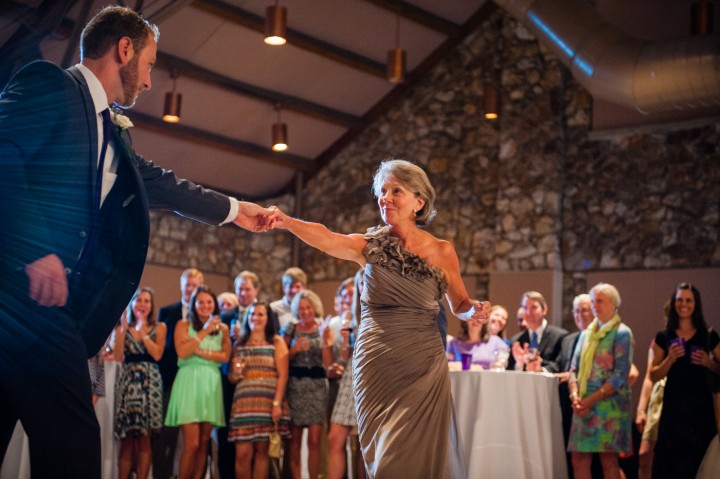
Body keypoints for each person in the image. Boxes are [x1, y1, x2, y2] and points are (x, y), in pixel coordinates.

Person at [0, 6, 274, 476]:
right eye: (148, 64)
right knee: (73, 445)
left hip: (37, 314)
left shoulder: (111, 130)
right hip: (23, 298)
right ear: (123, 49)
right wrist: (36, 251)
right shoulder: (51, 84)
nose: (148, 81)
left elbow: (164, 186)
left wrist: (235, 210)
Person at [267, 159, 491, 478]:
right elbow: (328, 238)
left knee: (414, 458)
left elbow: (459, 303)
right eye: (381, 191)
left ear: (419, 201)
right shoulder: (369, 247)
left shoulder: (442, 251)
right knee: (385, 459)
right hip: (376, 369)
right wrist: (287, 221)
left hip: (423, 369)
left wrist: (474, 309)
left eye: (395, 191)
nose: (385, 197)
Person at [649, 282, 720, 479]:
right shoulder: (664, 336)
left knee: (698, 461)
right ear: (673, 303)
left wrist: (709, 363)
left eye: (689, 300)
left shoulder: (709, 335)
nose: (684, 304)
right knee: (669, 464)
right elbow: (653, 375)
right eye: (679, 300)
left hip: (701, 411)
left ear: (696, 304)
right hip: (673, 410)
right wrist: (669, 360)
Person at [568, 283, 634, 479]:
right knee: (578, 459)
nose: (595, 305)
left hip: (608, 406)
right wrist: (575, 396)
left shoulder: (622, 333)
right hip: (582, 403)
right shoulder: (586, 334)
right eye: (593, 301)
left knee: (608, 461)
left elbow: (620, 376)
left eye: (600, 301)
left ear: (613, 304)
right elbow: (573, 369)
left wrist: (591, 400)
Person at [165, 286, 232, 479]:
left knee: (204, 443)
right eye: (200, 302)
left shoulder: (223, 329)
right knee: (191, 443)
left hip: (211, 383)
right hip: (189, 382)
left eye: (209, 302)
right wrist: (205, 330)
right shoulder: (183, 325)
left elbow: (225, 356)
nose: (205, 306)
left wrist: (200, 351)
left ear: (215, 305)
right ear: (194, 304)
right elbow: (183, 351)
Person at [228, 302, 291, 479]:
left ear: (268, 318)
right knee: (242, 454)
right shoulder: (240, 343)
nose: (255, 318)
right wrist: (236, 372)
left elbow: (283, 375)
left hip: (267, 402)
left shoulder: (276, 342)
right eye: (252, 314)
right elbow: (232, 378)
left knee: (261, 453)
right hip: (244, 402)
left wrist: (277, 404)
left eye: (260, 314)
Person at [155, 267, 205, 479]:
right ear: (181, 286)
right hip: (169, 378)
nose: (190, 289)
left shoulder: (206, 315)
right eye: (187, 285)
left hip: (196, 380)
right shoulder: (166, 312)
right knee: (165, 435)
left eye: (194, 286)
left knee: (196, 440)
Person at [113, 287, 166, 479]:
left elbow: (157, 354)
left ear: (151, 306)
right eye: (139, 300)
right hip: (129, 383)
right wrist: (122, 329)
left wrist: (142, 332)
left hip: (149, 383)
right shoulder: (124, 328)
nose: (142, 304)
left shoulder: (159, 327)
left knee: (145, 440)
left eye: (146, 301)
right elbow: (118, 356)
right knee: (127, 440)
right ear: (132, 304)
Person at [283, 290, 333, 479]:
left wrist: (325, 340)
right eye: (301, 308)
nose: (305, 311)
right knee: (294, 441)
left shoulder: (323, 328)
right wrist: (294, 349)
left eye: (308, 307)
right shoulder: (291, 328)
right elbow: (280, 359)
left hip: (317, 387)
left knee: (314, 440)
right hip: (295, 386)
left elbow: (328, 365)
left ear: (315, 308)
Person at [218, 269, 263, 478]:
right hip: (230, 381)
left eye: (247, 289)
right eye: (240, 289)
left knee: (256, 441)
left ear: (256, 290)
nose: (243, 293)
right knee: (227, 433)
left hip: (257, 382)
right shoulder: (225, 316)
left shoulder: (264, 314)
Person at [327, 269, 365, 479]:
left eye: (364, 282)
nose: (361, 287)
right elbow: (344, 355)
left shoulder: (379, 312)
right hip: (351, 376)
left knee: (366, 444)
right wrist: (344, 336)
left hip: (372, 377)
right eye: (360, 283)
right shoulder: (350, 317)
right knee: (335, 438)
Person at [507, 291, 568, 373]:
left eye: (534, 307)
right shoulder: (516, 340)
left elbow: (560, 365)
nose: (529, 312)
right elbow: (509, 370)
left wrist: (540, 370)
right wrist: (519, 364)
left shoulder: (559, 336)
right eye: (525, 308)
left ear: (544, 309)